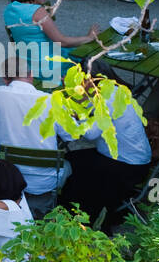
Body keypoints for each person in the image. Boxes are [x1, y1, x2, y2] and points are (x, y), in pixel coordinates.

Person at [59, 83, 152, 231]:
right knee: (73, 159)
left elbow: (90, 134)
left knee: (76, 168)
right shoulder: (115, 92)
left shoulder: (105, 100)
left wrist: (77, 115)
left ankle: (79, 219)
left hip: (126, 167)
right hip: (132, 160)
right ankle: (69, 210)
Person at [0, 68, 71, 210]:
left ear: (5, 78)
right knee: (68, 165)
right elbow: (71, 135)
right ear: (31, 75)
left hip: (6, 176)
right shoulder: (52, 101)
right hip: (43, 183)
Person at [2, 0, 99, 80]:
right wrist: (89, 37)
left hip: (28, 62)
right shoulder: (38, 12)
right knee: (91, 58)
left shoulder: (9, 9)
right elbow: (61, 41)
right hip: (47, 67)